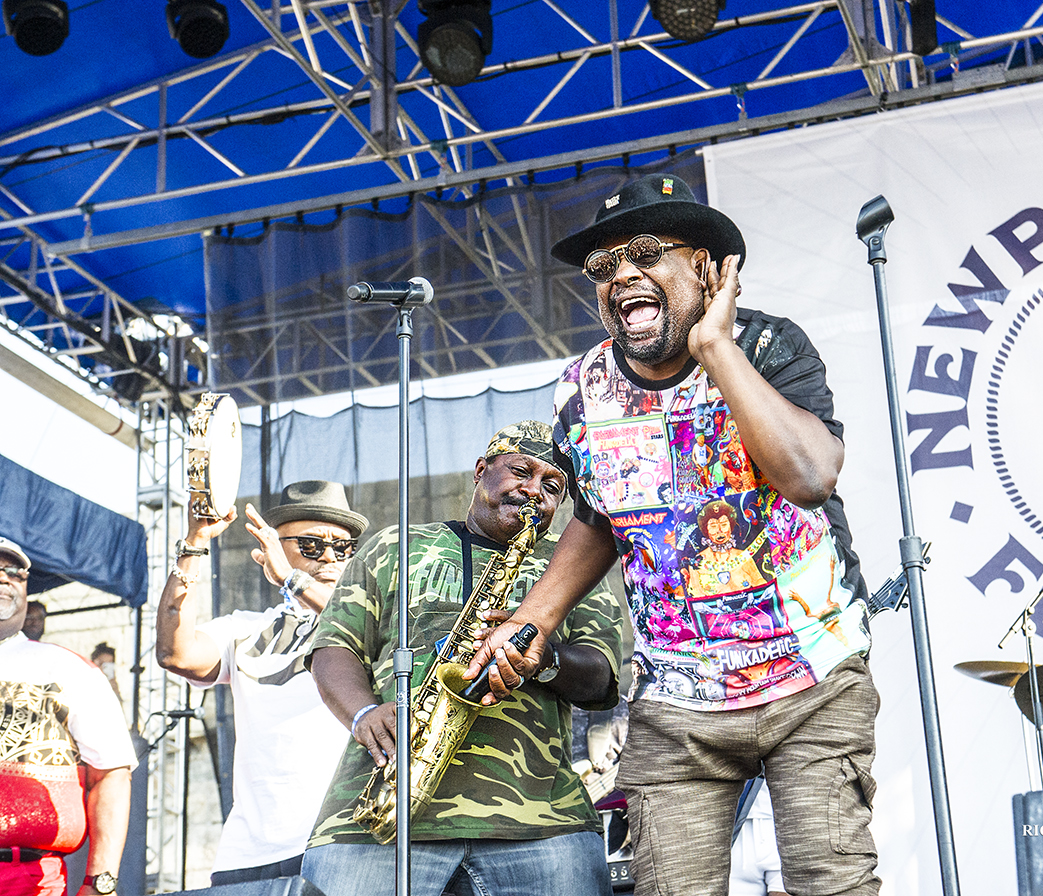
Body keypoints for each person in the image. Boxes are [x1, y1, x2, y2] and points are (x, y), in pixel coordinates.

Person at [471, 173, 879, 895]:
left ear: (708, 268)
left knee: (832, 883)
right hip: (675, 700)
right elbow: (600, 518)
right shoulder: (580, 390)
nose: (621, 274)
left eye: (647, 252)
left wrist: (717, 347)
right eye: (604, 267)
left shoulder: (769, 346)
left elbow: (811, 477)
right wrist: (533, 620)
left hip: (810, 677)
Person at [302, 421, 624, 896]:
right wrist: (364, 713)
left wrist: (545, 655)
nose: (533, 490)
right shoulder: (397, 547)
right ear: (480, 471)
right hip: (377, 819)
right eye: (521, 471)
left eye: (552, 486)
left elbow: (602, 681)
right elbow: (333, 647)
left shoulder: (575, 565)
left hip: (542, 823)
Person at [155, 480, 367, 885]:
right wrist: (195, 542)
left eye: (342, 548)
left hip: (342, 842)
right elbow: (174, 654)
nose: (329, 557)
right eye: (311, 544)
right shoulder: (245, 629)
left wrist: (291, 577)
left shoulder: (372, 622)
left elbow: (349, 621)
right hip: (247, 849)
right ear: (266, 551)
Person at [0, 536, 134, 896]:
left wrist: (100, 884)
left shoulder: (70, 669)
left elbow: (111, 775)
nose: (4, 578)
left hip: (30, 880)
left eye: (14, 572)